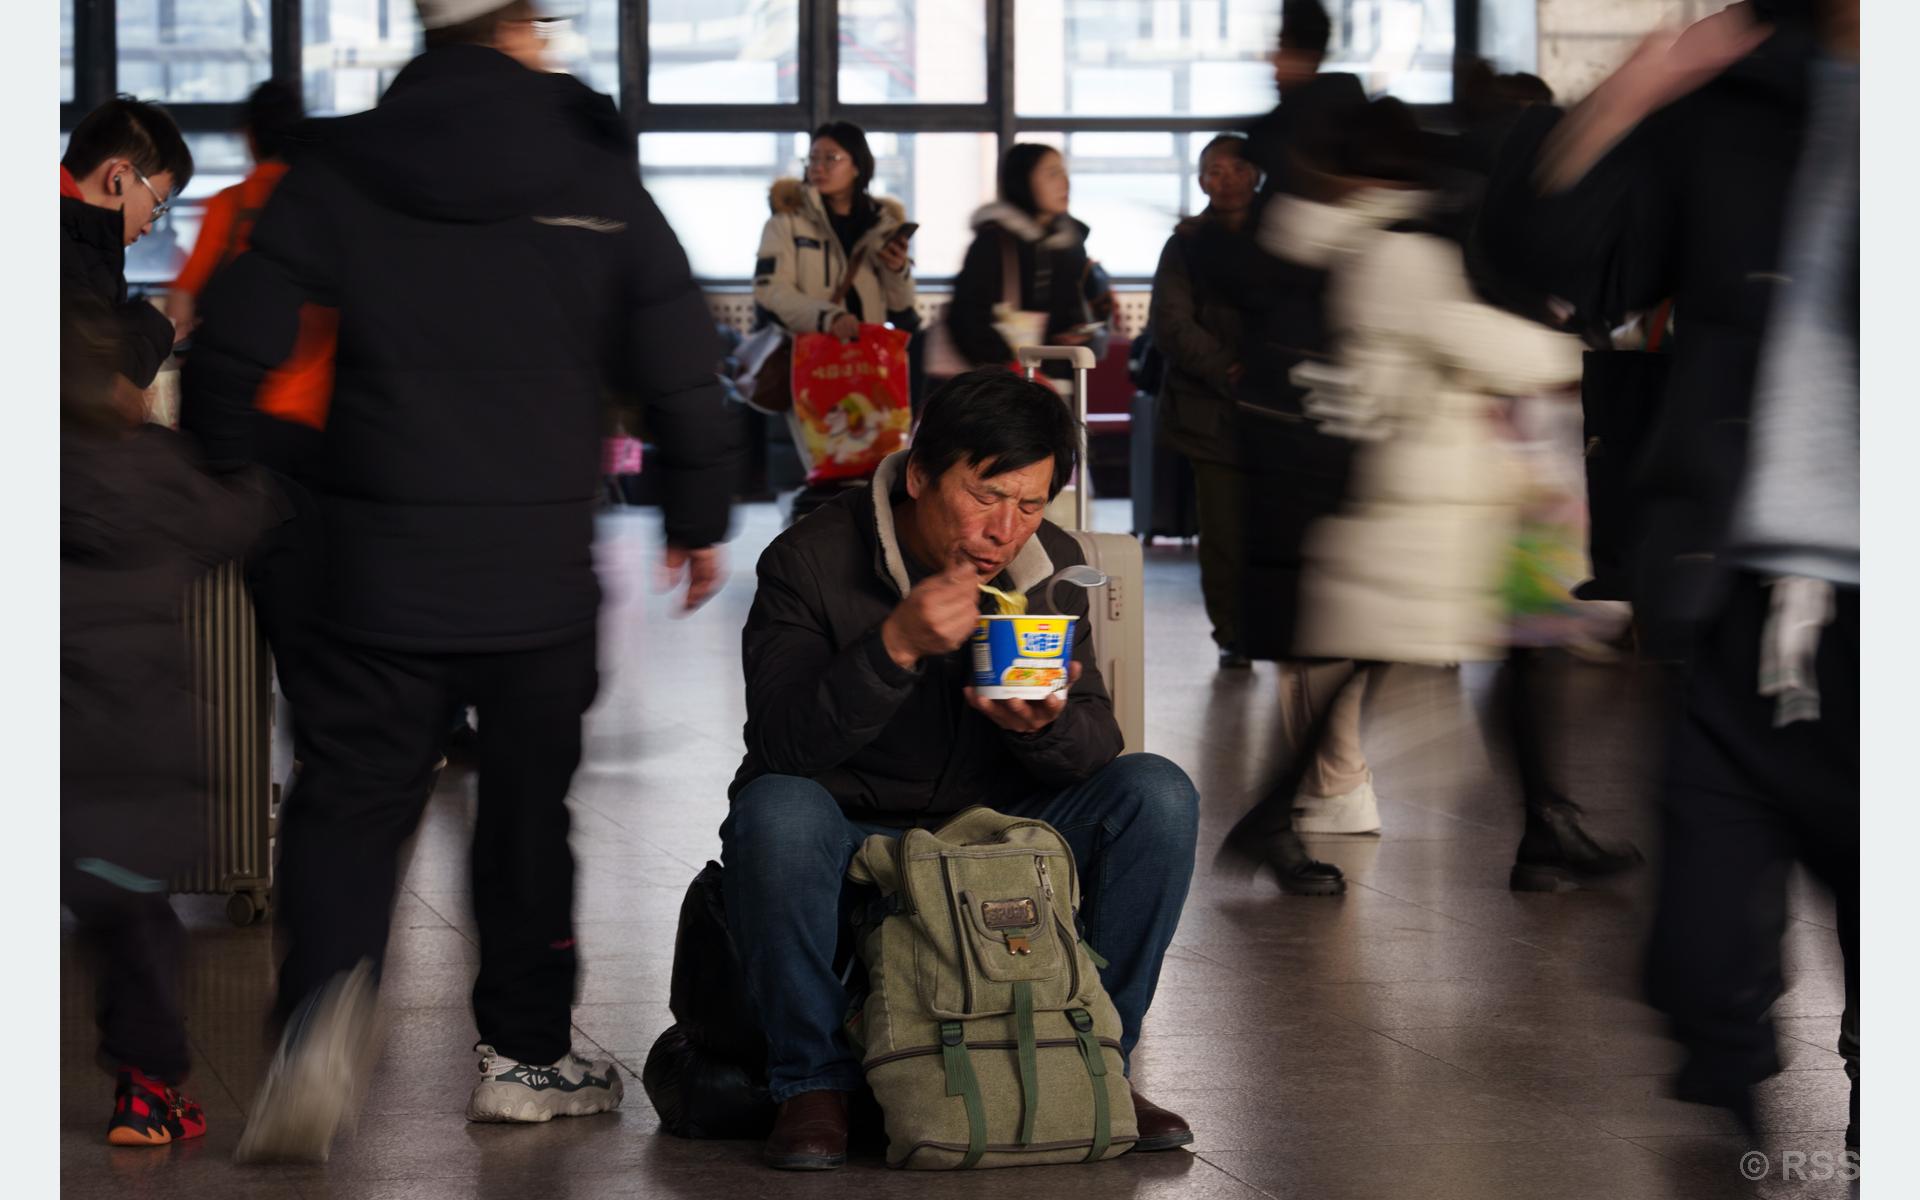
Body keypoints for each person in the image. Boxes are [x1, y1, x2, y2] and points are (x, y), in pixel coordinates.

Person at [181, 0, 738, 1160]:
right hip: (534, 570)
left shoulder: (341, 168)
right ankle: (527, 1058)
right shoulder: (592, 178)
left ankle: (316, 1030)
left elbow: (233, 335)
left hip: (373, 560)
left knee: (352, 797)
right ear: (519, 30)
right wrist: (696, 514)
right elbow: (683, 364)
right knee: (528, 812)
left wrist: (238, 469)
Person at [1477, 0, 1859, 1147]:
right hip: (1733, 591)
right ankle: (1743, 1130)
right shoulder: (1738, 104)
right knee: (1698, 973)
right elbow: (1547, 271)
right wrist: (1624, 103)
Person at [722, 369, 1199, 1170]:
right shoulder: (808, 560)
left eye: (1029, 504)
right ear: (918, 476)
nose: (1003, 530)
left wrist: (1043, 726)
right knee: (775, 811)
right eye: (985, 496)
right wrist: (895, 645)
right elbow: (782, 746)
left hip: (998, 824)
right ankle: (811, 1082)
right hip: (854, 827)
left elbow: (1093, 744)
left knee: (1157, 793)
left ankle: (1094, 1060)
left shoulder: (1050, 568)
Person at [1220, 99, 1640, 892]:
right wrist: (1566, 343)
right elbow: (1474, 339)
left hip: (1432, 496)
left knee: (1500, 651)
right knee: (1413, 657)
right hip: (1425, 505)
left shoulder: (1354, 240)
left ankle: (1544, 820)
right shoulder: (1397, 252)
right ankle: (1276, 814)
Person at [61, 299, 285, 1148]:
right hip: (137, 742)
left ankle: (143, 1084)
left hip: (57, 745)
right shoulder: (153, 472)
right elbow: (239, 516)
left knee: (103, 915)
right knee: (141, 923)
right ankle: (147, 1091)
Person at [1148, 134, 1260, 669]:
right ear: (1201, 181)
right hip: (1210, 412)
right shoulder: (1187, 244)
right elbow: (1170, 323)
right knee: (1224, 533)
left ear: (1258, 173)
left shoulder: (1281, 236)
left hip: (1281, 410)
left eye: (1238, 168)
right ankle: (1233, 634)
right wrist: (1230, 367)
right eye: (1215, 170)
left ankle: (1276, 627)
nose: (1228, 178)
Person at [60, 95, 193, 391]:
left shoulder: (85, 241)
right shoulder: (67, 250)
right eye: (156, 204)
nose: (149, 226)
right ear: (119, 176)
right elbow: (101, 382)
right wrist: (159, 327)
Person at [947, 144, 1112, 373]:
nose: (1064, 182)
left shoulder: (1070, 244)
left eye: (1064, 172)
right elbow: (968, 320)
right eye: (1052, 173)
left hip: (1057, 379)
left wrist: (1085, 326)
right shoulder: (994, 242)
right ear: (1022, 181)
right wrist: (1009, 369)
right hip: (1000, 382)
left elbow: (1068, 315)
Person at [752, 121, 917, 343]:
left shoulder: (881, 227)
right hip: (805, 355)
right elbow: (772, 291)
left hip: (866, 358)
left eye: (831, 158)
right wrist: (828, 318)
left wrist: (897, 271)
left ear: (857, 166)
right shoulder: (785, 224)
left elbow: (901, 306)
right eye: (813, 158)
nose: (818, 167)